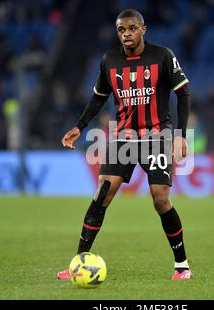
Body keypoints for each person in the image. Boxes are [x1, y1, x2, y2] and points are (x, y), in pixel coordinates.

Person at [57, 9, 192, 280]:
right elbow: (98, 98)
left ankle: (182, 265)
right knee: (103, 192)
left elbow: (183, 93)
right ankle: (78, 261)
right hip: (123, 136)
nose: (126, 34)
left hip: (156, 135)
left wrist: (180, 134)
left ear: (143, 29)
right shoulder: (109, 60)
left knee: (160, 198)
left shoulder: (163, 56)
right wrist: (79, 127)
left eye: (132, 28)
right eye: (121, 30)